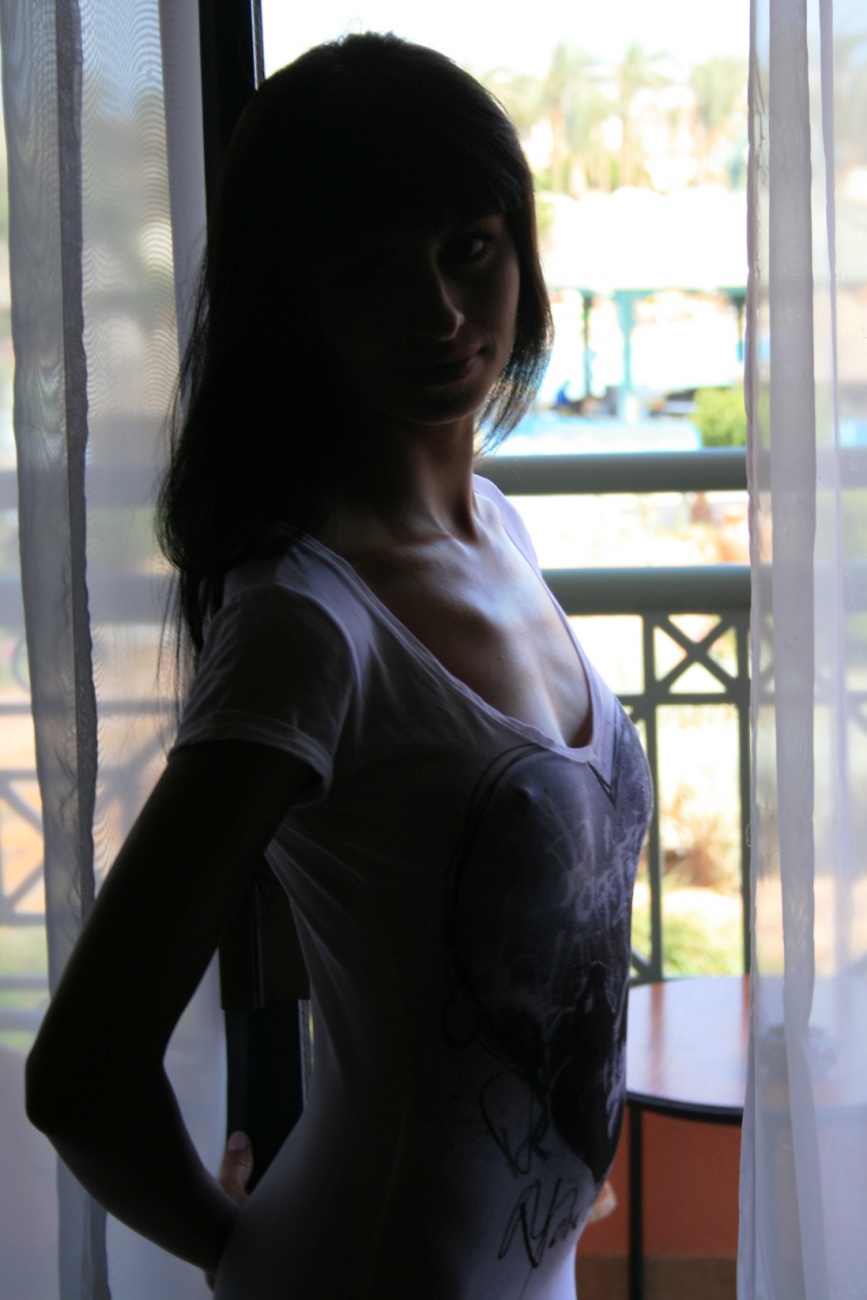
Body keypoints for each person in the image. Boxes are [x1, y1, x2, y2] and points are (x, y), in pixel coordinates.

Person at [25, 32, 652, 1300]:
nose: (440, 312)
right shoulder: (308, 622)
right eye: (369, 272)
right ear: (290, 302)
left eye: (468, 247)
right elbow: (82, 1072)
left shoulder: (498, 530)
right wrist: (238, 1249)